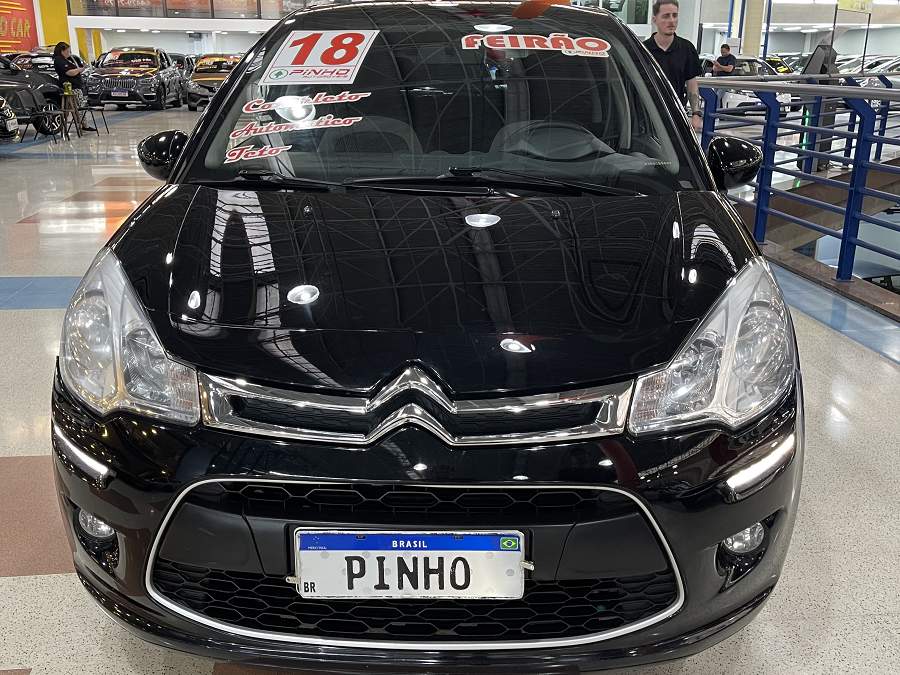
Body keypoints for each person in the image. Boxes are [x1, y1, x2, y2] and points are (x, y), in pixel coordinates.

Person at [642, 0, 703, 131]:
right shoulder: (643, 50)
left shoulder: (687, 48)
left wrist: (696, 113)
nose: (671, 21)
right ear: (654, 19)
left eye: (674, 15)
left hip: (677, 115)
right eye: (666, 16)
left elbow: (692, 83)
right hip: (647, 117)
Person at [52, 42, 96, 133]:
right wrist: (80, 69)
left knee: (69, 109)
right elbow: (69, 72)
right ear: (62, 51)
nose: (69, 53)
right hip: (72, 88)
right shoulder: (59, 60)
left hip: (74, 87)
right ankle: (84, 125)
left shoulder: (66, 59)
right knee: (79, 107)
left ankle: (65, 125)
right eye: (68, 51)